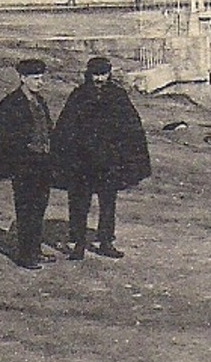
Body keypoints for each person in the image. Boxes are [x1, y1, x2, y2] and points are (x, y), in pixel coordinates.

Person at [52, 56, 152, 260]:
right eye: (96, 75)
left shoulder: (118, 96)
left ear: (109, 74)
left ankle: (106, 241)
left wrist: (129, 155)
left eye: (103, 74)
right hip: (83, 162)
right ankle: (78, 243)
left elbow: (131, 126)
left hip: (109, 162)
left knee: (108, 203)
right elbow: (66, 127)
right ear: (89, 75)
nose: (99, 79)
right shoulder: (78, 96)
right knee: (79, 202)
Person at [0, 58, 58, 270]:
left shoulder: (39, 101)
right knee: (26, 209)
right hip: (25, 165)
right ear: (23, 78)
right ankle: (26, 255)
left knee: (39, 209)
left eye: (42, 78)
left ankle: (34, 250)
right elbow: (3, 136)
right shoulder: (11, 103)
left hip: (42, 164)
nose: (40, 82)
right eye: (35, 78)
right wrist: (20, 157)